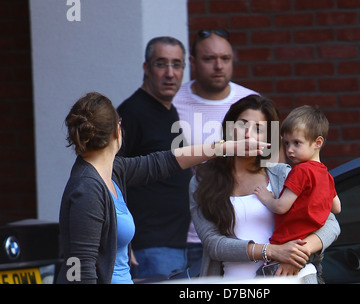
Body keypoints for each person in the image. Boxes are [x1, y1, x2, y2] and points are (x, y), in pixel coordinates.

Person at [57, 92, 269, 284]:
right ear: (116, 130)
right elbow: (79, 267)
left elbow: (164, 162)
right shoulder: (86, 189)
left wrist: (225, 147)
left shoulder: (113, 171)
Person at [189, 95, 340, 283]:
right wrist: (272, 251)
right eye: (242, 124)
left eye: (258, 129)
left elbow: (331, 224)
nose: (248, 134)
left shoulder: (283, 174)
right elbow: (213, 244)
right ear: (229, 127)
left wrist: (296, 254)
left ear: (268, 138)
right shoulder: (202, 181)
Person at [172, 29, 258, 268]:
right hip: (179, 236)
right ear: (192, 62)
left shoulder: (252, 103)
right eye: (209, 59)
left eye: (225, 59)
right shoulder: (172, 101)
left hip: (238, 234)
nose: (218, 66)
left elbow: (270, 166)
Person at [116, 36, 191, 278]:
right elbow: (110, 175)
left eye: (177, 64)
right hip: (149, 246)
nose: (170, 73)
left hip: (175, 243)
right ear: (146, 68)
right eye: (161, 64)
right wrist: (122, 240)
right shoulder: (131, 113)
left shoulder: (169, 110)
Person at [253, 105, 341, 281]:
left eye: (296, 143)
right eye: (286, 143)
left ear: (318, 143)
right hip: (312, 249)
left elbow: (281, 207)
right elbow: (337, 208)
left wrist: (267, 198)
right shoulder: (326, 175)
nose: (289, 150)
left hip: (287, 244)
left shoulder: (300, 171)